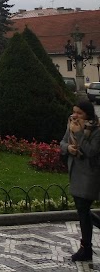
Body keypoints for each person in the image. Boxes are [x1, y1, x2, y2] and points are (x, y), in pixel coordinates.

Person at [60, 99, 100, 261]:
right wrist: (68, 148)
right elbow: (62, 142)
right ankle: (86, 249)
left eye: (79, 113)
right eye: (74, 111)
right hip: (75, 172)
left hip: (90, 174)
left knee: (83, 209)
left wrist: (78, 133)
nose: (75, 115)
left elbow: (91, 151)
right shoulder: (72, 124)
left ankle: (86, 249)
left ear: (88, 115)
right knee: (82, 210)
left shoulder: (96, 129)